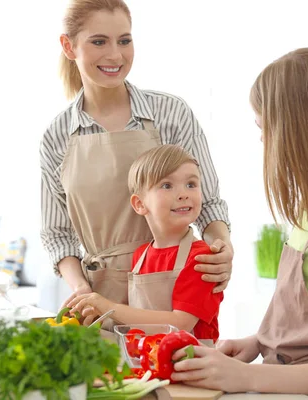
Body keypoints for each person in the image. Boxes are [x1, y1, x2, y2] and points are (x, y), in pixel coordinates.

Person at [171, 48, 308, 400]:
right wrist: (258, 342)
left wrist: (247, 377)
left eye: (264, 127)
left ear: (298, 129)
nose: (262, 140)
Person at [39, 0, 233, 326]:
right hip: (97, 298)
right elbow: (57, 235)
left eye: (124, 40)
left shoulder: (170, 114)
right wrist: (82, 290)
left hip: (172, 283)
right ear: (69, 46)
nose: (115, 55)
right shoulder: (57, 135)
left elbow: (209, 202)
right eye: (99, 41)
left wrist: (222, 249)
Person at [67, 144, 223, 342]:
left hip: (193, 364)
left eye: (191, 184)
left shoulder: (202, 258)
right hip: (146, 361)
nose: (184, 193)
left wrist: (108, 307)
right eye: (167, 185)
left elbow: (180, 324)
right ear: (140, 204)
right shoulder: (141, 255)